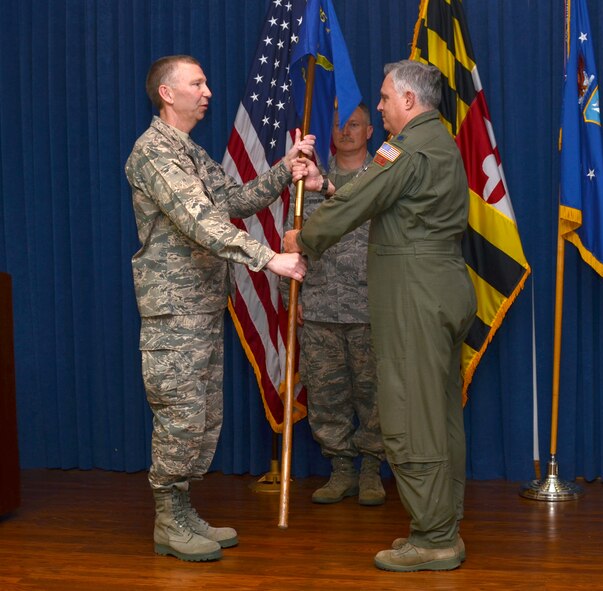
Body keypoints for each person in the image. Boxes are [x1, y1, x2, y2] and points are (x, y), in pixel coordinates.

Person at [284, 60, 476, 572]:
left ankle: (434, 536)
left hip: (415, 294)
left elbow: (362, 200)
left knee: (412, 415)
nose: (383, 107)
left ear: (409, 102)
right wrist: (327, 187)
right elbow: (376, 193)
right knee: (439, 413)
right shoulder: (436, 140)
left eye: (387, 99)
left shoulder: (409, 146)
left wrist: (301, 238)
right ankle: (445, 518)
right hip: (442, 286)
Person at [125, 55, 311, 562]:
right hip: (174, 311)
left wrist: (284, 168)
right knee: (181, 415)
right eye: (197, 83)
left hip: (203, 306)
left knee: (202, 417)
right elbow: (200, 221)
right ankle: (168, 518)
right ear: (167, 93)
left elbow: (230, 197)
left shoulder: (188, 151)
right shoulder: (154, 152)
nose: (207, 91)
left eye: (207, 81)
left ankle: (182, 510)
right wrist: (270, 258)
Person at [284, 104, 386, 506]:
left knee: (375, 395)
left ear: (370, 131)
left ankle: (371, 470)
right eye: (340, 124)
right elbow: (291, 241)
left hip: (369, 308)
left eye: (355, 124)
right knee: (326, 395)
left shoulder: (382, 175)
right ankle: (341, 469)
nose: (346, 131)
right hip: (322, 306)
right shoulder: (305, 182)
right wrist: (291, 299)